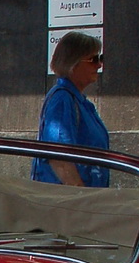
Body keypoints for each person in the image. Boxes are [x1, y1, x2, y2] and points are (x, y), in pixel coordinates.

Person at [33, 31, 110, 187]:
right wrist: (80, 195)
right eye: (93, 59)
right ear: (73, 63)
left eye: (100, 58)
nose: (99, 65)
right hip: (67, 202)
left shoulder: (80, 102)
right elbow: (58, 157)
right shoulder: (63, 99)